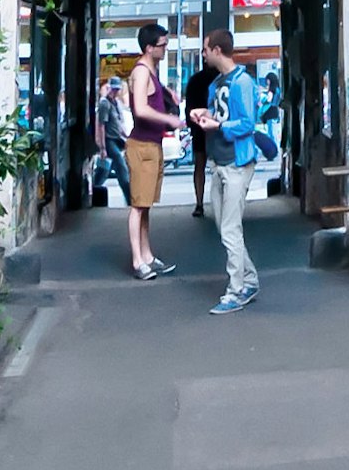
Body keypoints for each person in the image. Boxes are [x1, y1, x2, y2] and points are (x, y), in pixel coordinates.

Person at [188, 30, 274, 312]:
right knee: (226, 228)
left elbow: (247, 124)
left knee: (229, 229)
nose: (203, 54)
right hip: (220, 161)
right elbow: (220, 113)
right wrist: (204, 114)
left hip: (237, 163)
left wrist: (218, 126)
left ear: (216, 50)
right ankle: (248, 280)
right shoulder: (218, 83)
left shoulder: (242, 83)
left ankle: (237, 289)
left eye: (205, 49)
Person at [120, 24, 182, 279]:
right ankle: (138, 261)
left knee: (145, 205)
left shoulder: (150, 71)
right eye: (162, 45)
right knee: (138, 205)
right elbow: (141, 109)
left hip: (151, 144)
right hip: (142, 145)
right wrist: (169, 120)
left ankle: (147, 255)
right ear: (149, 48)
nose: (165, 49)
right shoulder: (142, 71)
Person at [88, 73, 130, 209]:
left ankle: (95, 188)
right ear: (109, 88)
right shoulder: (104, 103)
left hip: (117, 138)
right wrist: (102, 148)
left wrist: (127, 137)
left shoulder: (116, 103)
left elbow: (118, 123)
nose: (115, 92)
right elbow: (101, 126)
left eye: (117, 90)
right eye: (114, 89)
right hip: (108, 139)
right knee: (120, 164)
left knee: (105, 168)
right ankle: (130, 198)